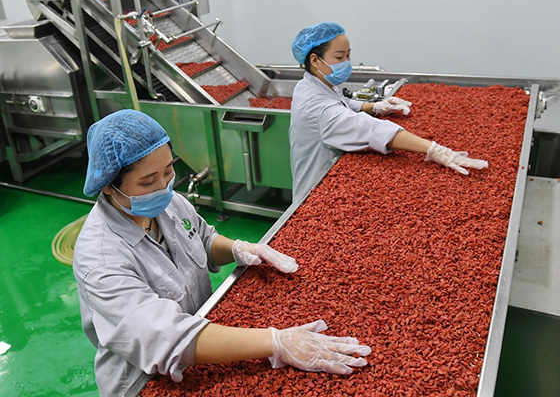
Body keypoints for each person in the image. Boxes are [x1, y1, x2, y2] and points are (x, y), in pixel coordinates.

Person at [73, 110, 371, 396]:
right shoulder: (100, 259)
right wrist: (277, 341)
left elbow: (202, 239)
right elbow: (165, 336)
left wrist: (238, 248)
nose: (163, 187)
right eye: (147, 181)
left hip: (205, 343)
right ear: (108, 186)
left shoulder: (169, 202)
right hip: (144, 378)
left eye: (168, 171)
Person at [289, 22, 489, 201]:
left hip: (329, 173)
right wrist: (434, 149)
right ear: (315, 60)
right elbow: (370, 129)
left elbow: (342, 102)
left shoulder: (310, 84)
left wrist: (376, 106)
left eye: (348, 55)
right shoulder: (318, 107)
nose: (347, 62)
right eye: (340, 57)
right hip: (317, 189)